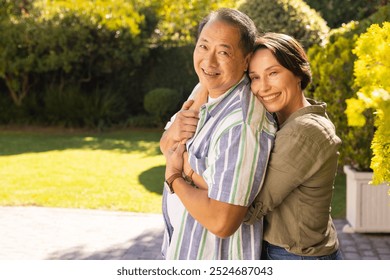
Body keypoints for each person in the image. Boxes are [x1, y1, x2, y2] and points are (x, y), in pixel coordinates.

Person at [160, 8, 277, 260]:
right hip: (181, 247)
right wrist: (177, 129)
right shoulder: (205, 88)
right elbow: (167, 145)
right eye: (203, 47)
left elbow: (222, 221)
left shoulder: (240, 125)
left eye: (223, 52)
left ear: (246, 60)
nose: (209, 62)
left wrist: (174, 177)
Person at [245, 32, 343, 260]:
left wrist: (180, 175)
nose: (263, 87)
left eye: (273, 73)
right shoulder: (283, 121)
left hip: (295, 258)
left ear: (298, 73)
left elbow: (250, 207)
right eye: (255, 77)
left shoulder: (303, 131)